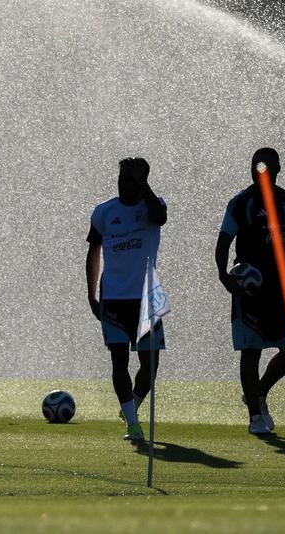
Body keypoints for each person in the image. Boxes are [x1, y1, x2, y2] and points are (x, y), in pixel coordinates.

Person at [216, 147, 285, 435]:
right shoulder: (241, 203)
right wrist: (223, 275)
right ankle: (254, 417)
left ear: (277, 170)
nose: (259, 171)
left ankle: (258, 393)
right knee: (251, 351)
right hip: (251, 290)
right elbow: (224, 240)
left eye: (265, 167)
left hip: (281, 289)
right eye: (255, 167)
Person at [85, 157, 167, 442]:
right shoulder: (104, 212)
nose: (123, 183)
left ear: (142, 181)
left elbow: (160, 217)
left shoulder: (152, 207)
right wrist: (91, 293)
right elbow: (94, 251)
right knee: (118, 362)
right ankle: (132, 424)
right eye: (121, 177)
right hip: (114, 298)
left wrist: (143, 185)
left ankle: (132, 404)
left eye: (130, 179)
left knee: (151, 364)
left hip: (147, 297)